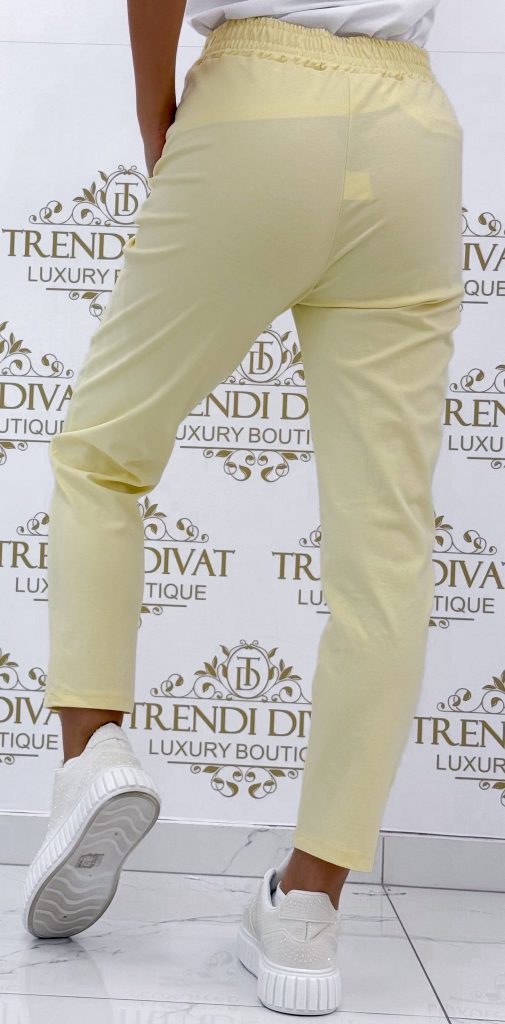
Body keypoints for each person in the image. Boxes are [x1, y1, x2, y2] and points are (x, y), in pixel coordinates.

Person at [22, 0, 463, 1016]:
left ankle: (92, 757)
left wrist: (157, 112)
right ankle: (307, 909)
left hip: (261, 101)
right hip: (412, 132)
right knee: (385, 555)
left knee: (101, 455)